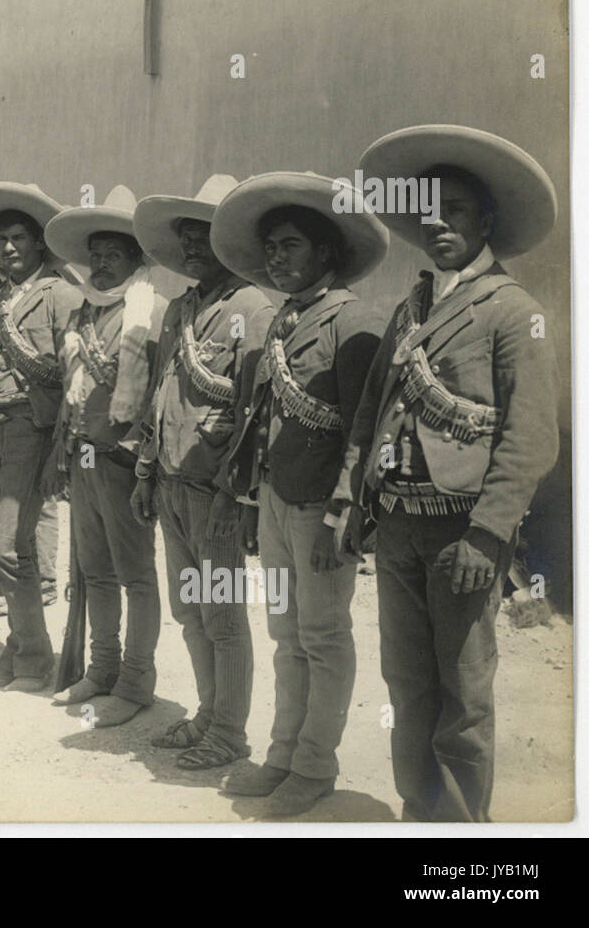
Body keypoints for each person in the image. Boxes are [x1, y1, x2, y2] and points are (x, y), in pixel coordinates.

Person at [337, 126, 560, 822]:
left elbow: (530, 438)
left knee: (463, 695)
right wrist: (351, 500)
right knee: (407, 684)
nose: (439, 225)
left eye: (455, 211)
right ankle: (419, 812)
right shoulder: (412, 308)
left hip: (462, 533)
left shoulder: (514, 313)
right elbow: (373, 411)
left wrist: (490, 534)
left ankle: (462, 837)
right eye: (428, 212)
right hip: (399, 526)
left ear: (485, 220)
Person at [211, 171, 387, 816]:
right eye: (270, 248)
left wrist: (346, 510)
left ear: (326, 254)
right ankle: (283, 753)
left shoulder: (354, 321)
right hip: (277, 499)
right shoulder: (286, 318)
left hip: (321, 507)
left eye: (288, 246)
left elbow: (363, 429)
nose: (274, 258)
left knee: (323, 635)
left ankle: (315, 766)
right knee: (286, 635)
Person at [130, 175, 274, 768]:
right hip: (169, 484)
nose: (191, 248)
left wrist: (235, 497)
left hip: (213, 491)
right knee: (190, 612)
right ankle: (208, 713)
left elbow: (256, 416)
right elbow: (161, 394)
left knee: (222, 616)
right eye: (185, 237)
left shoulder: (252, 310)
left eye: (204, 236)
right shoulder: (184, 310)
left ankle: (229, 735)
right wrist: (144, 472)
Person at [42, 186, 166, 726]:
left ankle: (137, 682)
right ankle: (103, 668)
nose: (100, 264)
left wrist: (142, 463)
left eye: (113, 254)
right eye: (95, 255)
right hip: (84, 456)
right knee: (94, 572)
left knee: (136, 575)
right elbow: (74, 387)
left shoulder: (152, 312)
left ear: (137, 258)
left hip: (124, 461)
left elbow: (160, 395)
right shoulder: (84, 313)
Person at [0, 182, 82, 692]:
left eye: (18, 239)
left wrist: (59, 450)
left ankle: (33, 657)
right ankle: (19, 655)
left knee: (5, 549)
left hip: (32, 430)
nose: (7, 248)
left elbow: (74, 381)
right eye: (1, 239)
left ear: (40, 245)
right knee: (14, 549)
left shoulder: (61, 296)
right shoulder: (4, 298)